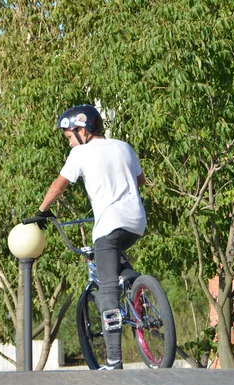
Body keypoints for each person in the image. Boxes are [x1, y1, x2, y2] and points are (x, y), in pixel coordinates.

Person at [35, 104, 146, 370]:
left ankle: (114, 359)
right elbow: (140, 182)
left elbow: (58, 186)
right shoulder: (124, 146)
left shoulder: (81, 154)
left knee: (106, 291)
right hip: (136, 223)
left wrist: (41, 212)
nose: (70, 143)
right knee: (116, 263)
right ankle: (130, 278)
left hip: (108, 226)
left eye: (69, 137)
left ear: (82, 130)